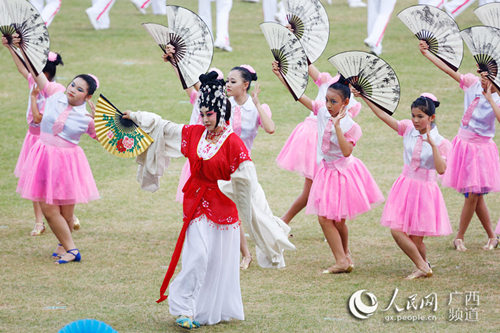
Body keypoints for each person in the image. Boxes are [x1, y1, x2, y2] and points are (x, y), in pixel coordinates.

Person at [123, 72, 251, 328]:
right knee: (197, 256)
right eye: (201, 114)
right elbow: (163, 127)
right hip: (196, 202)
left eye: (209, 115)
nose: (204, 119)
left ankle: (207, 309)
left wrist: (257, 219)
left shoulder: (233, 143)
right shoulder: (194, 134)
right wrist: (135, 116)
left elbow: (248, 183)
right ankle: (184, 308)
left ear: (221, 112)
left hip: (224, 206)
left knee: (216, 260)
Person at [273, 61, 384, 273]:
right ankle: (345, 257)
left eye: (333, 101)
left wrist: (338, 126)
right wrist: (281, 76)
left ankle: (342, 260)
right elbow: (299, 96)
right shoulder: (322, 111)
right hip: (327, 171)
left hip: (342, 173)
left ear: (346, 103)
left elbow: (346, 151)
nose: (328, 105)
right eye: (326, 100)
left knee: (329, 220)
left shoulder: (352, 126)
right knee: (335, 220)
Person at [12, 33, 99, 264]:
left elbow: (109, 139)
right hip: (43, 156)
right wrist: (22, 48)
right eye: (73, 84)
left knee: (66, 213)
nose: (72, 90)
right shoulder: (53, 92)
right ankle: (68, 247)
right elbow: (35, 72)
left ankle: (67, 248)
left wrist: (113, 122)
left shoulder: (88, 119)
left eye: (80, 90)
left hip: (68, 163)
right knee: (49, 209)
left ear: (88, 96)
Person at [355, 90, 452, 279]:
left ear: (431, 117)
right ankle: (424, 266)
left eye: (420, 117)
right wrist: (365, 97)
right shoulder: (408, 128)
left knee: (416, 238)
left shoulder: (442, 142)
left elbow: (441, 170)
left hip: (425, 189)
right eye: (413, 116)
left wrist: (432, 144)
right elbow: (383, 116)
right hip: (405, 185)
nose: (415, 120)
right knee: (397, 230)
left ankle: (423, 267)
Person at [419, 40, 500, 251]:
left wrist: (491, 97)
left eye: (487, 78)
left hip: (482, 148)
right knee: (474, 194)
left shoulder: (498, 96)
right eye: (482, 76)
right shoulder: (471, 82)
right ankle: (492, 236)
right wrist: (427, 55)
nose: (483, 81)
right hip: (463, 144)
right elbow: (448, 69)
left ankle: (459, 236)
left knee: (473, 194)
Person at [276, 64, 361, 226]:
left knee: (322, 190)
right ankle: (285, 221)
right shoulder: (327, 82)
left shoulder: (351, 103)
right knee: (310, 190)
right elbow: (306, 66)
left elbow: (344, 130)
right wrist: (282, 74)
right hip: (313, 140)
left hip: (330, 147)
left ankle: (329, 223)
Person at [2, 36, 69, 236]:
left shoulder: (56, 92)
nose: (32, 73)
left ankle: (66, 214)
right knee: (35, 181)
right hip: (32, 139)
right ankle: (39, 222)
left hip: (46, 141)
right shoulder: (34, 80)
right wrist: (13, 48)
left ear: (45, 73)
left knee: (52, 180)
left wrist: (33, 97)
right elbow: (23, 68)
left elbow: (39, 119)